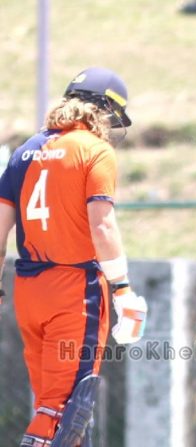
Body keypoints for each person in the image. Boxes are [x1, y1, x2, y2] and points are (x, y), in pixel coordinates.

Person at [0, 67, 148, 447]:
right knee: (65, 411)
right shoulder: (95, 150)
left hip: (29, 290)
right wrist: (123, 290)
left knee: (57, 409)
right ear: (103, 109)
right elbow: (102, 226)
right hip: (74, 290)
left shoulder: (24, 151)